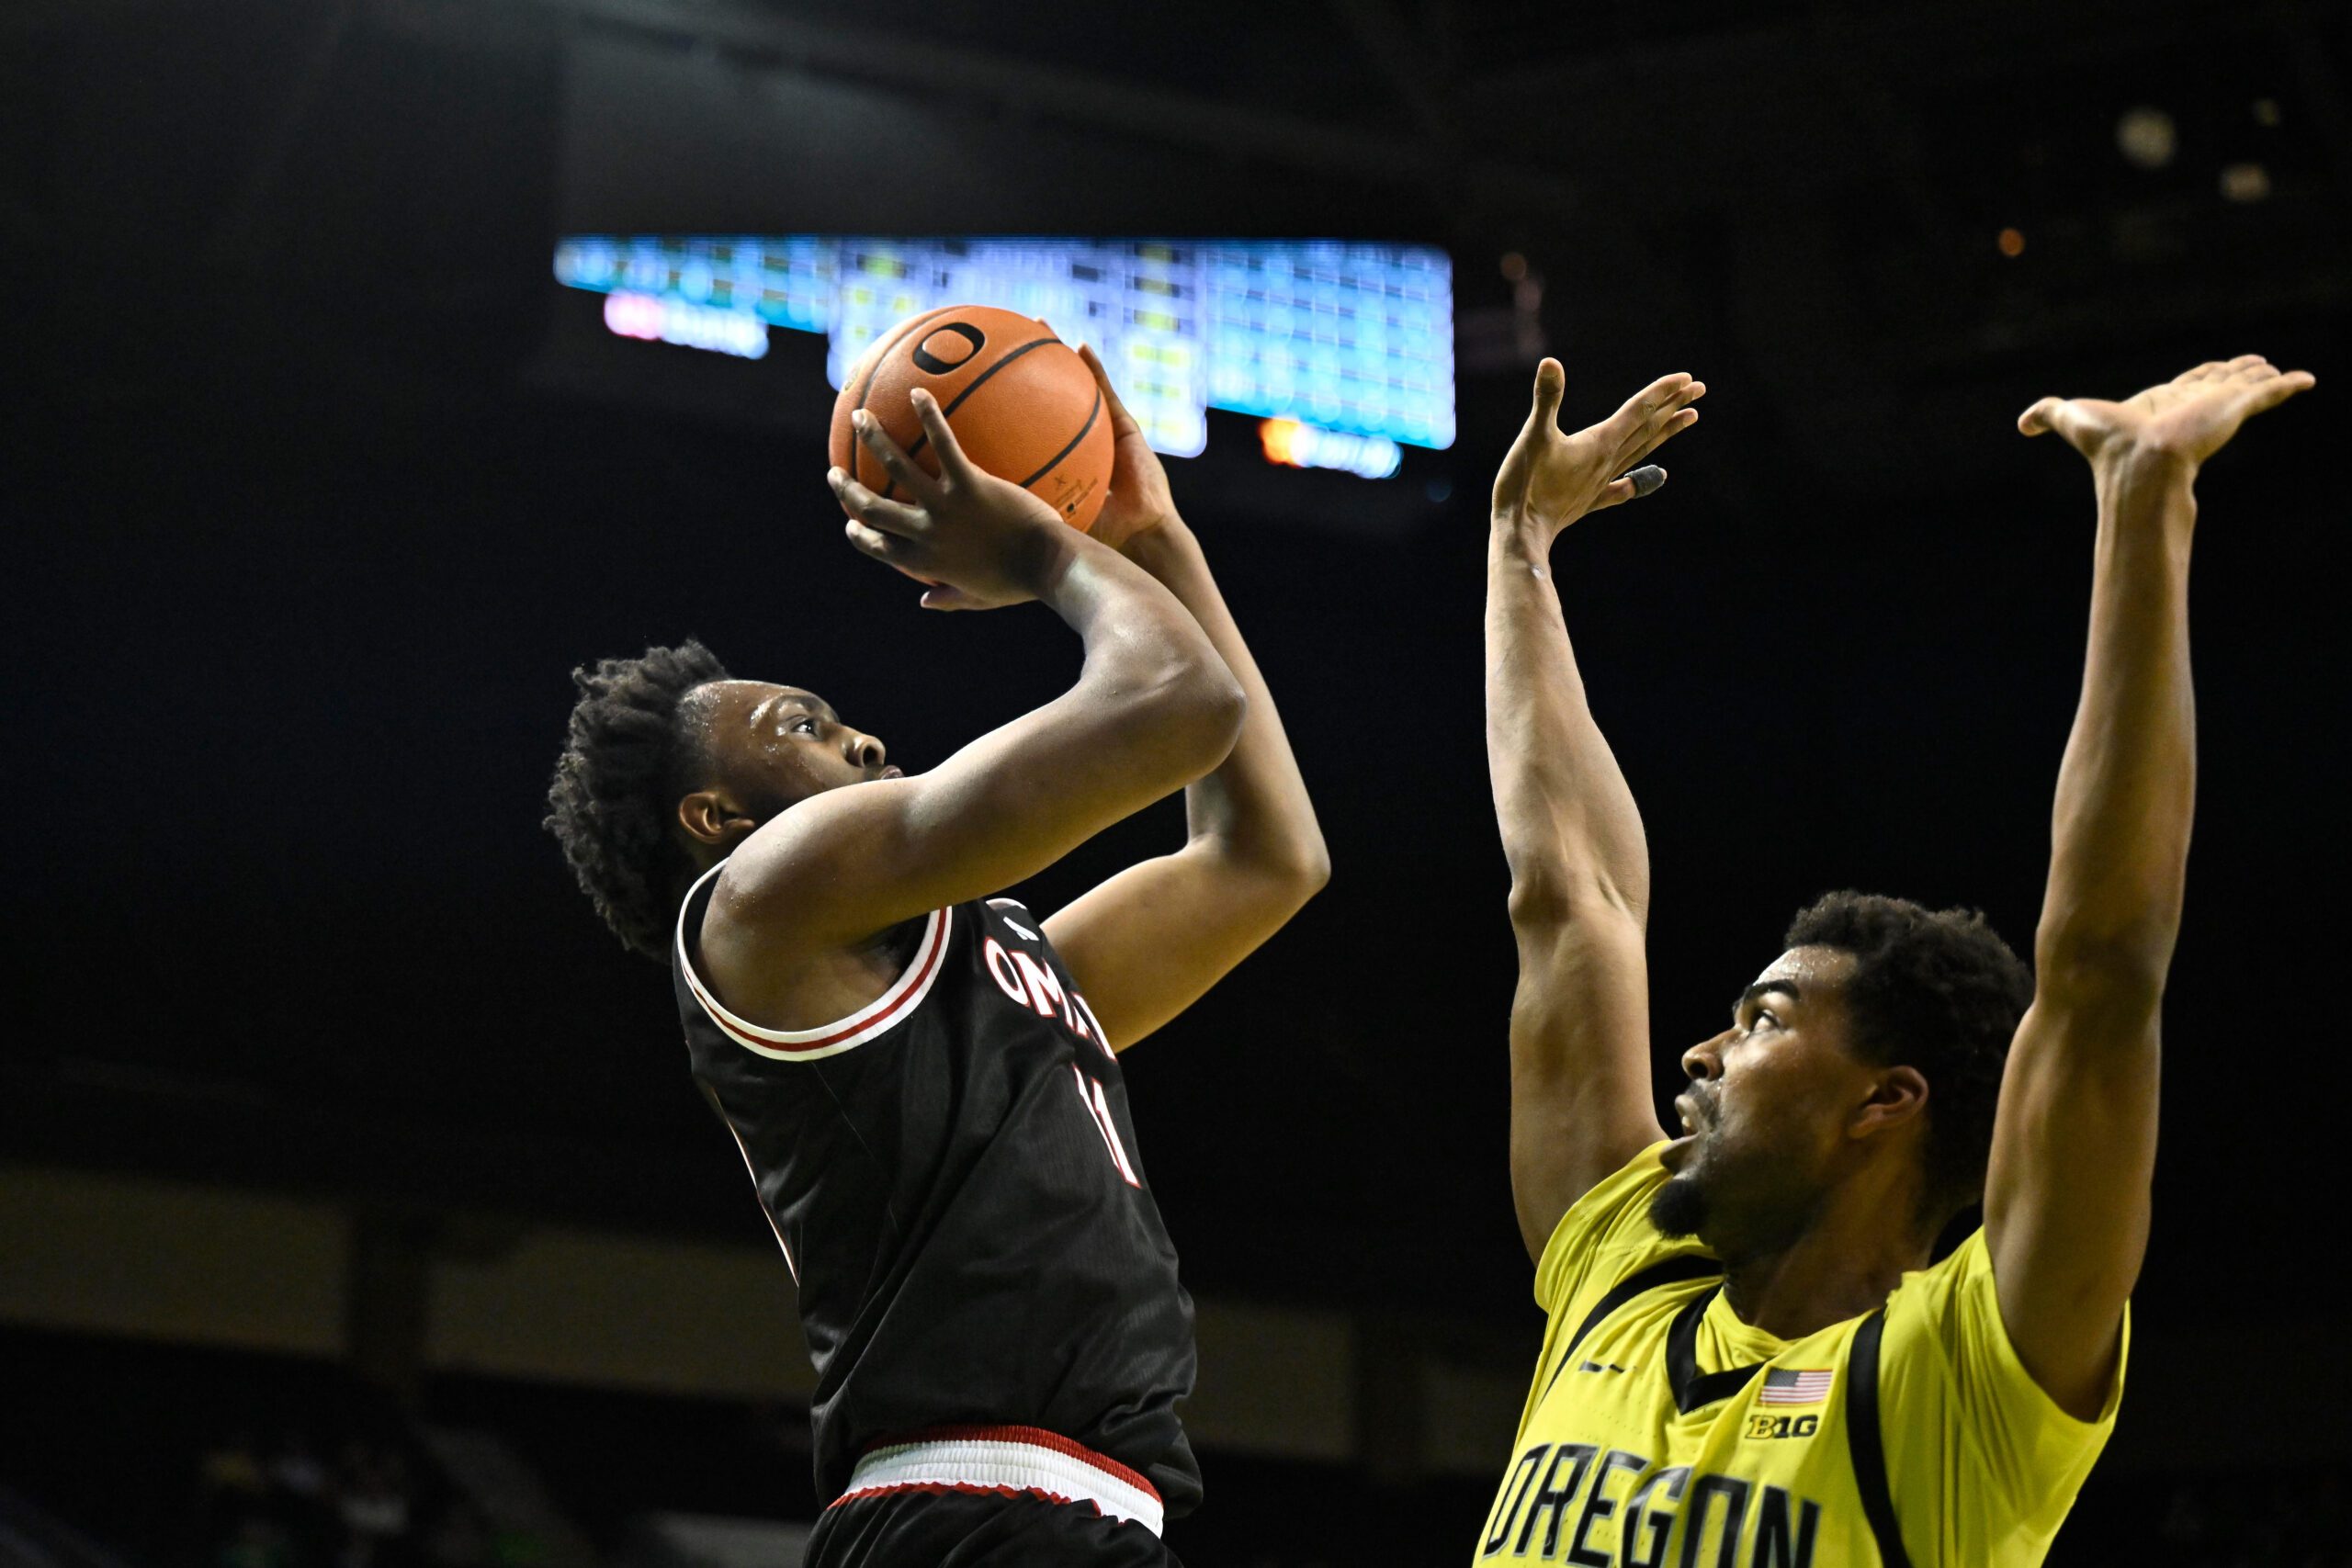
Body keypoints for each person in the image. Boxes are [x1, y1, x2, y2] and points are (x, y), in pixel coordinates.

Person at [1475, 355, 2312, 1565]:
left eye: (1763, 1021)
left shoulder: (1964, 1381)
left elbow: (2101, 969)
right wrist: (1520, 546)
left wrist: (2145, 501)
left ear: (1886, 1098)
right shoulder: (1623, 1269)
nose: (1700, 1054)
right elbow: (1571, 899)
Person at [545, 345, 1326, 1566]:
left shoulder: (986, 975)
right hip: (973, 1514)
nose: (859, 741)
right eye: (802, 728)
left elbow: (1264, 861)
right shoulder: (758, 906)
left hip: (1074, 1514)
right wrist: (1047, 554)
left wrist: (1154, 538)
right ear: (716, 819)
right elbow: (1178, 705)